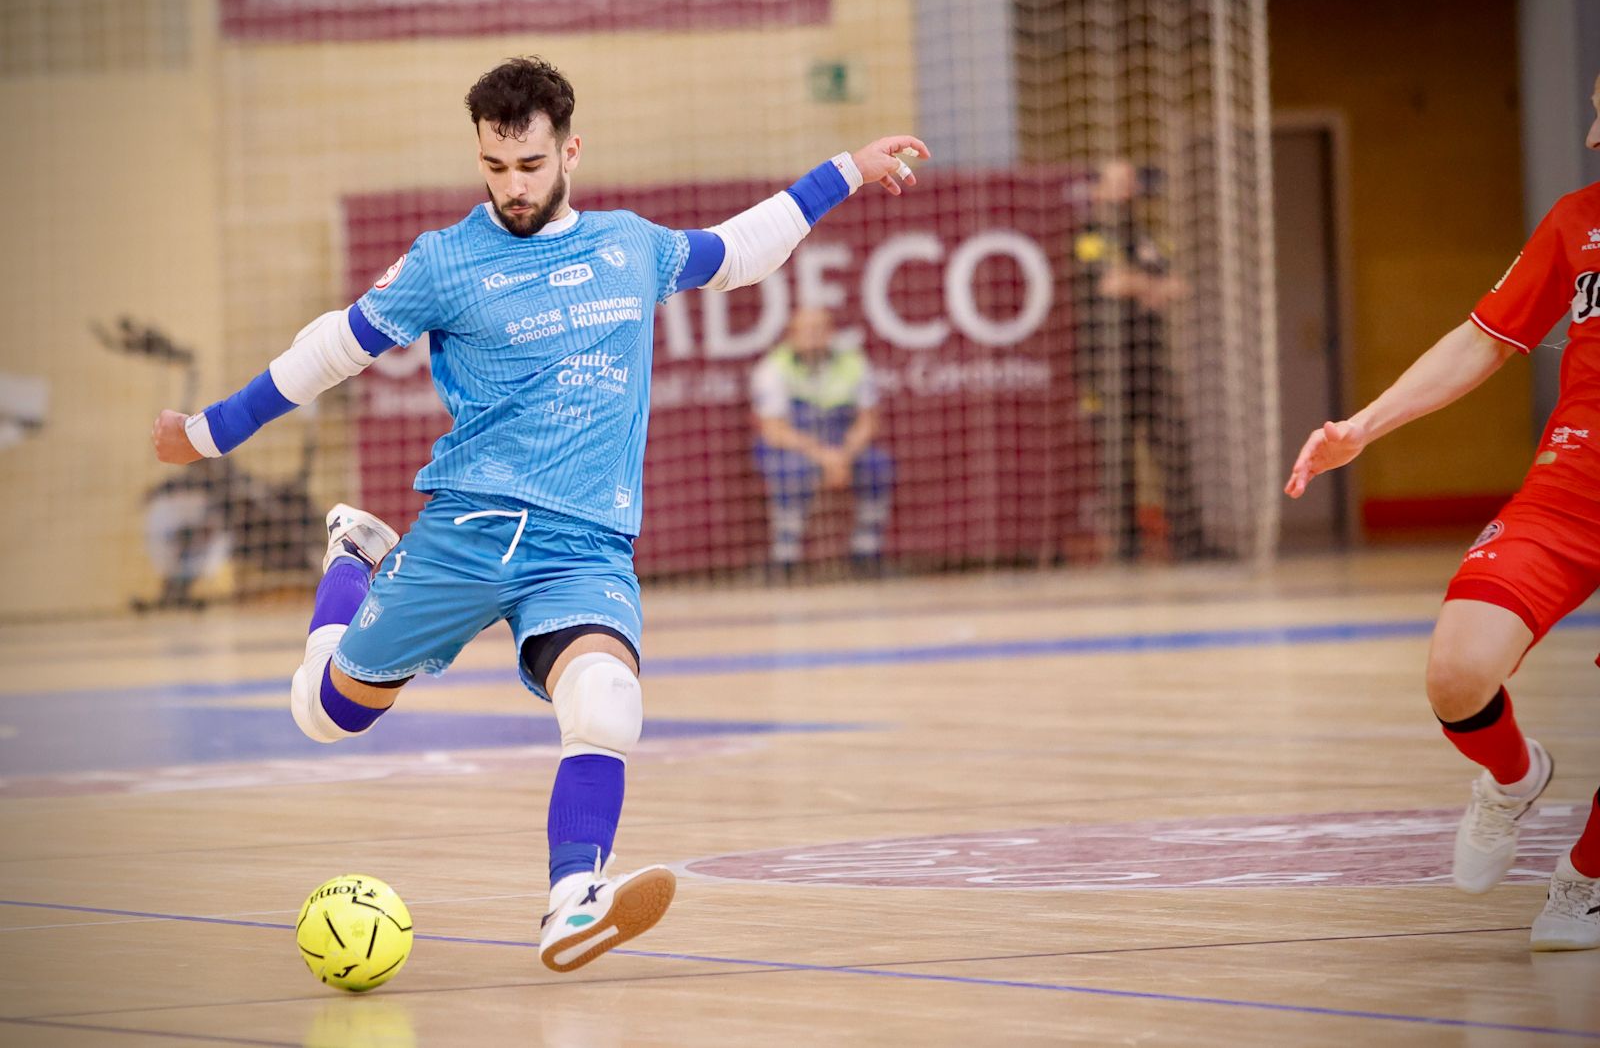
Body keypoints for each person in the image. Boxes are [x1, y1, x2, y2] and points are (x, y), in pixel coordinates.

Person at [150, 56, 929, 972]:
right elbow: (329, 351)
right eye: (494, 166)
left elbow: (740, 250)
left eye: (529, 165)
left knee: (606, 699)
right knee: (326, 715)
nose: (512, 187)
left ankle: (572, 901)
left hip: (585, 545)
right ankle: (354, 560)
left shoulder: (629, 245)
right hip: (468, 531)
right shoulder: (445, 262)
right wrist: (204, 434)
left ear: (570, 151)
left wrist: (847, 168)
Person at [1285, 73, 1600, 952]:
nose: (1595, 138)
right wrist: (1363, 426)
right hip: (1575, 485)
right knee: (1457, 673)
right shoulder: (1579, 222)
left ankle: (1586, 880)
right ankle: (1511, 778)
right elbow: (1482, 339)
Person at [1073, 159, 1205, 561]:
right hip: (1107, 369)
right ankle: (1126, 550)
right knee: (1117, 460)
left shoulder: (1146, 237)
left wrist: (1139, 284)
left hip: (1151, 362)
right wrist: (1147, 286)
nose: (1127, 192)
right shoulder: (1090, 237)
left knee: (1174, 448)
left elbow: (1178, 285)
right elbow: (1110, 284)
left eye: (1130, 184)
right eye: (1118, 184)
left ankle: (1190, 543)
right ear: (1098, 191)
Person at [750, 306, 893, 575]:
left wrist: (844, 455)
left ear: (831, 333)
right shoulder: (772, 368)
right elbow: (774, 430)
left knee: (877, 464)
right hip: (796, 445)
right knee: (789, 469)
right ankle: (786, 556)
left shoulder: (853, 362)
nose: (812, 336)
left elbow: (869, 420)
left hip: (842, 443)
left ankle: (866, 552)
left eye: (819, 329)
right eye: (805, 330)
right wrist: (824, 457)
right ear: (791, 335)